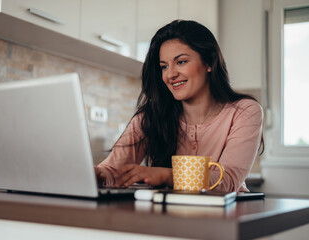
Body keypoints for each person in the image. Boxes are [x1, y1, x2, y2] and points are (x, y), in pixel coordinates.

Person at [95, 20, 264, 192]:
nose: (170, 74)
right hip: (168, 216)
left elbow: (227, 181)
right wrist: (95, 173)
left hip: (225, 215)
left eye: (181, 62)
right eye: (164, 66)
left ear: (209, 62)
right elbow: (112, 172)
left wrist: (165, 175)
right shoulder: (150, 117)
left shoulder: (245, 111)